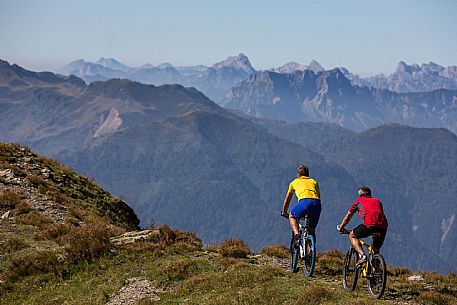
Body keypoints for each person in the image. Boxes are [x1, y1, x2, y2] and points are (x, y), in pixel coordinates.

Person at [337, 186, 388, 267]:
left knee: (352, 235)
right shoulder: (377, 201)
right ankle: (376, 275)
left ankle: (363, 256)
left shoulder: (358, 201)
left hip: (369, 224)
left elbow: (348, 216)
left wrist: (342, 227)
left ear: (360, 195)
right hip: (383, 226)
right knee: (375, 250)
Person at [281, 164, 321, 247]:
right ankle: (311, 253)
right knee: (311, 230)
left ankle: (297, 236)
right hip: (317, 203)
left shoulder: (294, 182)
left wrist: (285, 212)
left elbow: (287, 200)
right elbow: (318, 196)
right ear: (308, 174)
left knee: (292, 216)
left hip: (305, 202)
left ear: (298, 175)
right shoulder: (314, 182)